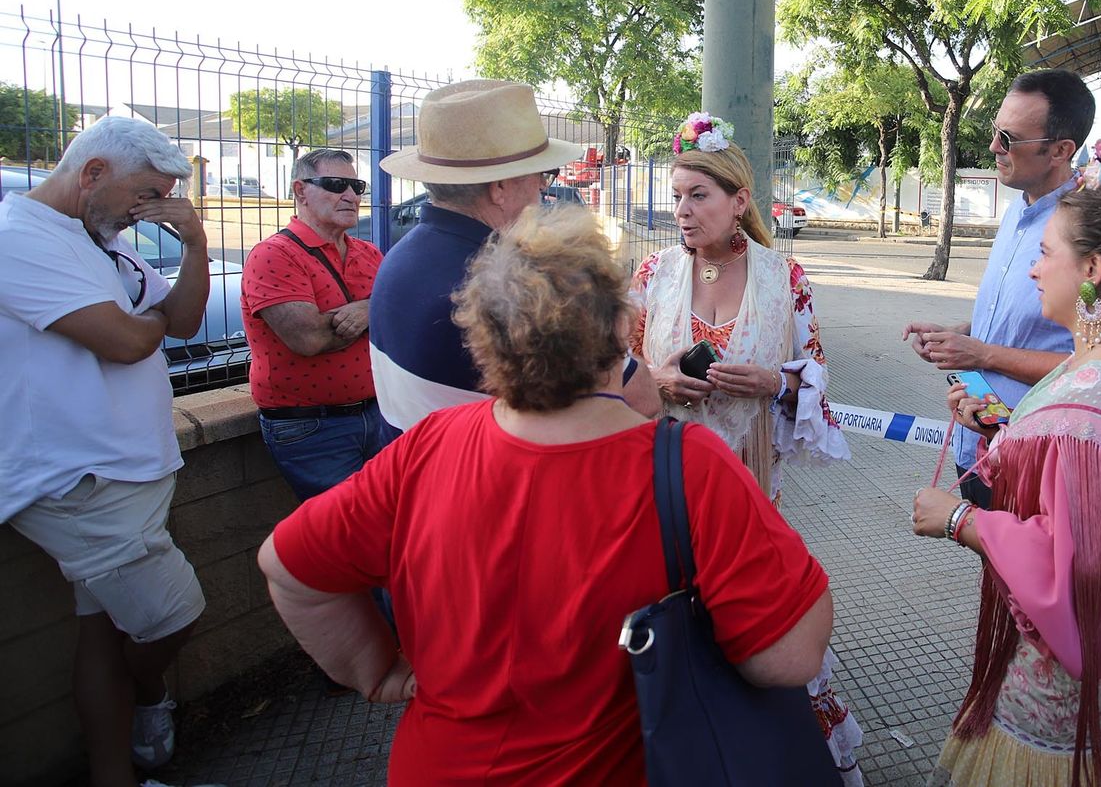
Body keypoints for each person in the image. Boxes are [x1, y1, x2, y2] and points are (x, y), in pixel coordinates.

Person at [257, 208, 835, 786]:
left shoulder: (429, 443)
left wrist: (374, 668)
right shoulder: (689, 464)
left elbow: (288, 567)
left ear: (482, 332)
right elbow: (787, 658)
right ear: (621, 328)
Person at [911, 175, 1101, 786]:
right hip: (1090, 680)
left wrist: (960, 519)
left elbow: (1078, 568)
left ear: (1092, 270)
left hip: (1056, 699)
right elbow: (1067, 478)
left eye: (1046, 252)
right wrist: (999, 427)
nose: (1033, 268)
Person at [629, 112, 862, 783]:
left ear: (739, 201)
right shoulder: (653, 272)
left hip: (754, 488)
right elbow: (617, 373)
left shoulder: (784, 277)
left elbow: (816, 376)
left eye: (698, 195)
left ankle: (771, 750)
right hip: (663, 486)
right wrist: (659, 379)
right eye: (677, 195)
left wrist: (775, 382)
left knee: (750, 619)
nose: (682, 210)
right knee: (677, 612)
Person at [0, 117, 213, 787]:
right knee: (173, 617)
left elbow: (181, 321)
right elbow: (126, 342)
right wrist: (146, 323)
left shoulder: (100, 240)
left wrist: (196, 244)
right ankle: (147, 694)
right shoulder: (18, 239)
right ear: (92, 173)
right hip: (80, 481)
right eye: (145, 194)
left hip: (127, 471)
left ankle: (116, 773)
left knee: (102, 630)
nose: (148, 211)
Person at [370, 79, 657, 432]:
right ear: (500, 188)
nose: (543, 187)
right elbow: (641, 399)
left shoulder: (399, 258)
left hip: (416, 461)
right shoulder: (515, 282)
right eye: (542, 175)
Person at [904, 68, 1095, 509]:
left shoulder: (1088, 232)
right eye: (995, 131)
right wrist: (959, 335)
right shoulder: (1016, 211)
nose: (993, 147)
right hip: (977, 444)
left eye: (1009, 139)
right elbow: (1021, 320)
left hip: (1034, 460)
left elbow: (1095, 365)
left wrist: (983, 354)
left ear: (1061, 150)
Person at [241, 148, 387, 501]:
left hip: (378, 413)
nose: (351, 196)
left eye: (357, 186)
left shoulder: (368, 253)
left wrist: (368, 309)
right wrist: (378, 311)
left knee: (395, 518)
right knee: (352, 526)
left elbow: (403, 315)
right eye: (336, 184)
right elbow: (310, 339)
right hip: (313, 426)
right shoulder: (274, 254)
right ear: (300, 190)